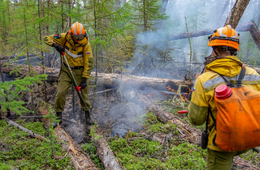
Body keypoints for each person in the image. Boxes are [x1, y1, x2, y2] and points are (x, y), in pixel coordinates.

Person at [187, 25, 260, 170]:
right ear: (235, 50)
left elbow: (196, 120)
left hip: (221, 144)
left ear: (214, 50)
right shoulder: (253, 74)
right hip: (250, 137)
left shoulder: (205, 80)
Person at [44, 22, 94, 127]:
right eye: (76, 36)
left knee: (83, 95)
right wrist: (56, 45)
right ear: (71, 34)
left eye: (80, 36)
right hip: (66, 70)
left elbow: (88, 63)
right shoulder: (65, 37)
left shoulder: (85, 44)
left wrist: (84, 78)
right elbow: (46, 38)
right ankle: (58, 118)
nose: (79, 38)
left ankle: (88, 117)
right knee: (61, 93)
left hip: (79, 72)